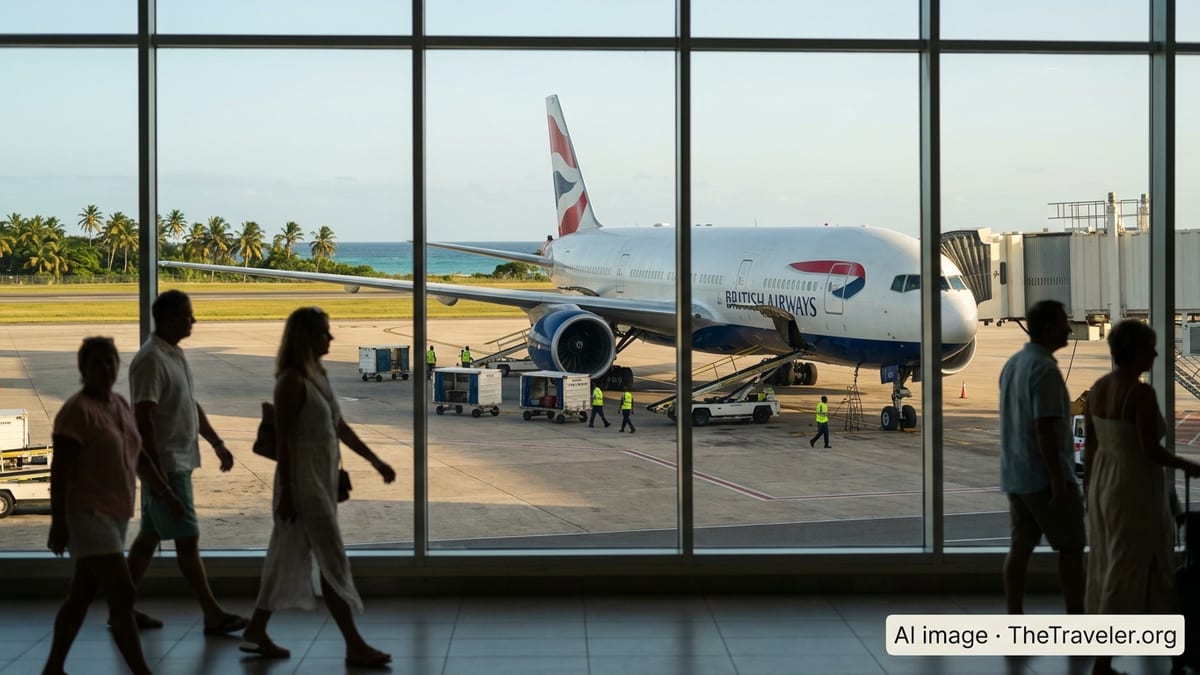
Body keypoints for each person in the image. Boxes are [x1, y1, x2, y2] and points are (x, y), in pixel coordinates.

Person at [240, 307, 397, 666]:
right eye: (324, 333)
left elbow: (339, 427)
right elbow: (283, 444)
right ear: (305, 337)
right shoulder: (291, 383)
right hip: (303, 485)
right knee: (332, 558)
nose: (331, 338)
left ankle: (255, 630)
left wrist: (374, 460)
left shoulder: (317, 377)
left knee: (284, 557)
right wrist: (291, 493)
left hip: (319, 481)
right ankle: (354, 644)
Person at [43, 337, 182, 675]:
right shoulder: (76, 413)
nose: (105, 369)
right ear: (82, 369)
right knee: (122, 595)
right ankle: (141, 671)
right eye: (96, 363)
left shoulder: (119, 404)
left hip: (115, 514)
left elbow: (140, 456)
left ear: (118, 366)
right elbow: (59, 473)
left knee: (81, 595)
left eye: (110, 362)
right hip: (88, 516)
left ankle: (53, 668)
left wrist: (165, 492)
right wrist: (58, 523)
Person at [125, 290, 248, 634]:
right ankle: (212, 612)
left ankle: (121, 609)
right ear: (166, 319)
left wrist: (216, 442)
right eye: (186, 315)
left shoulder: (173, 354)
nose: (193, 321)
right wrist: (159, 480)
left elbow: (189, 404)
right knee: (187, 539)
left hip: (177, 461)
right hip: (167, 465)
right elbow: (143, 419)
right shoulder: (150, 360)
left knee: (148, 539)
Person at [1084, 320, 1200, 675]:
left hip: (1105, 482)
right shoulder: (1140, 394)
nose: (1155, 353)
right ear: (1135, 352)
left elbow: (1091, 447)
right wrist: (1190, 466)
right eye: (1150, 347)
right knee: (1139, 567)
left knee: (1117, 565)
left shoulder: (1098, 388)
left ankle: (1165, 654)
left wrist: (1089, 492)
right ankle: (1114, 661)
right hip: (1133, 486)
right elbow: (1150, 450)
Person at [998, 299, 1085, 615]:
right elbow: (1045, 428)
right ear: (1048, 328)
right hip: (1043, 478)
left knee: (1020, 547)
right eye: (1063, 323)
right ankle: (1077, 617)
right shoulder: (1044, 370)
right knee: (1072, 547)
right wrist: (1058, 481)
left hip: (1016, 475)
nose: (1069, 329)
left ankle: (1014, 614)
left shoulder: (1013, 364)